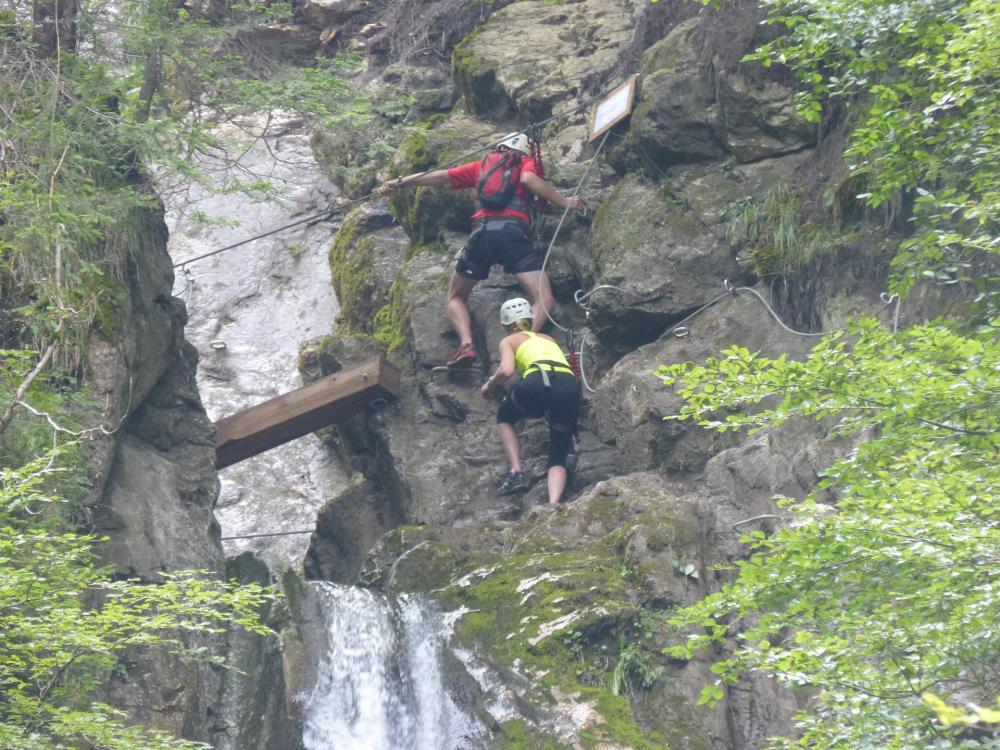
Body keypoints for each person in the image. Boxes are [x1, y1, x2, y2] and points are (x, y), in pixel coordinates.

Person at [378, 133, 587, 367]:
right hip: (512, 235)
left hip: (481, 234)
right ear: (524, 151)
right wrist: (565, 201)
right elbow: (528, 178)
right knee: (544, 298)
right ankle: (522, 343)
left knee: (455, 296)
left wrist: (399, 182)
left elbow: (438, 177)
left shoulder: (483, 166)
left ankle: (466, 345)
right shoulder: (522, 163)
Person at [480, 297, 581, 504]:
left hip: (539, 380)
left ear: (506, 325)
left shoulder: (509, 340)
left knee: (504, 416)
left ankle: (517, 471)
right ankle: (553, 505)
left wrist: (490, 385)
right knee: (558, 450)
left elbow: (506, 370)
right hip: (570, 386)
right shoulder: (548, 339)